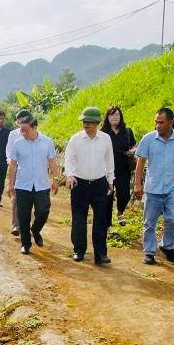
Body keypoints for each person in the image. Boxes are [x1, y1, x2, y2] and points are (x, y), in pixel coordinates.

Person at [133, 107, 174, 265]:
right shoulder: (148, 139)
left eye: (161, 122)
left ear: (171, 123)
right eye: (156, 122)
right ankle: (149, 251)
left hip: (173, 188)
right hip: (153, 188)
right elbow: (140, 163)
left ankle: (167, 245)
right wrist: (137, 184)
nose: (157, 125)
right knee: (149, 222)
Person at [65, 106, 115, 265]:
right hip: (79, 184)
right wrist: (70, 175)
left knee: (100, 219)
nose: (86, 125)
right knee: (79, 218)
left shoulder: (106, 139)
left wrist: (110, 181)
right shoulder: (75, 139)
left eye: (90, 122)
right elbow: (69, 159)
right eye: (84, 122)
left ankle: (101, 254)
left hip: (100, 184)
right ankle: (79, 250)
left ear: (98, 123)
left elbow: (109, 161)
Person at [7, 111, 59, 255]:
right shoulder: (18, 144)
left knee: (43, 211)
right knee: (23, 215)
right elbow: (13, 164)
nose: (23, 133)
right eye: (21, 130)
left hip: (42, 185)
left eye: (26, 130)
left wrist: (55, 179)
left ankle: (35, 230)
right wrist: (10, 184)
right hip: (23, 185)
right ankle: (26, 244)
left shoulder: (47, 142)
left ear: (34, 127)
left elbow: (52, 161)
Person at [101, 106, 137, 226]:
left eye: (117, 115)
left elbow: (133, 145)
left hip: (123, 168)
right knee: (107, 198)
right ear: (107, 118)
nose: (115, 117)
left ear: (120, 117)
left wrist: (132, 151)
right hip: (106, 170)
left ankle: (120, 211)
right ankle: (107, 226)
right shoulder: (102, 133)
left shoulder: (127, 131)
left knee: (124, 194)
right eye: (112, 115)